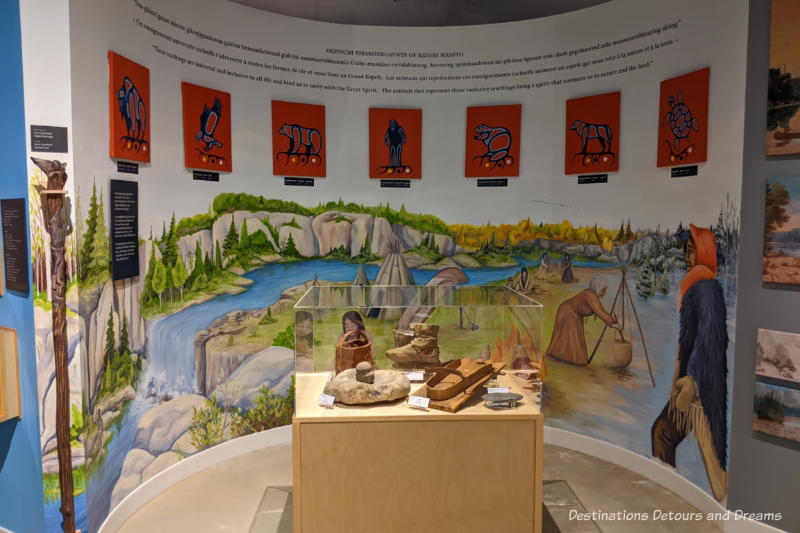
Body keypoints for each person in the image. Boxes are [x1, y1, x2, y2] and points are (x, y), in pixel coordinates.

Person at [651, 224, 728, 502]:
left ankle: (730, 515)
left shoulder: (705, 288)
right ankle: (667, 493)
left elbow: (708, 339)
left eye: (693, 250)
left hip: (700, 390)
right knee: (663, 433)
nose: (687, 256)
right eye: (686, 250)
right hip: (690, 386)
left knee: (713, 460)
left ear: (705, 252)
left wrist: (693, 380)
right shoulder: (696, 286)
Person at [545, 276, 619, 365]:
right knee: (573, 339)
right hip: (568, 312)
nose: (604, 292)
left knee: (571, 339)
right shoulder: (590, 295)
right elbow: (600, 311)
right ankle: (572, 360)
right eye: (603, 290)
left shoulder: (592, 296)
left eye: (605, 290)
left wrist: (610, 322)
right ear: (597, 287)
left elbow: (599, 311)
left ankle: (562, 357)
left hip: (572, 314)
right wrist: (612, 321)